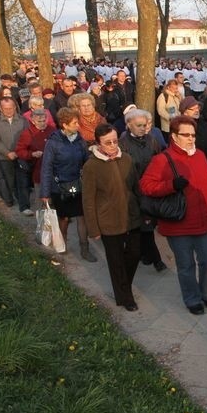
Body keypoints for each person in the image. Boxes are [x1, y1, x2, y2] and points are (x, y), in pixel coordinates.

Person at [139, 117, 207, 315]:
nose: (190, 139)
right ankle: (192, 298)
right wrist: (170, 186)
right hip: (178, 224)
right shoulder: (162, 159)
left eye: (193, 135)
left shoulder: (201, 156)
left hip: (204, 221)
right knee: (186, 265)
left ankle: (206, 294)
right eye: (185, 135)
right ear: (174, 136)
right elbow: (146, 186)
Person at [82, 124, 142, 311]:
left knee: (134, 253)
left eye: (115, 141)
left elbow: (136, 187)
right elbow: (88, 200)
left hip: (131, 216)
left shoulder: (127, 159)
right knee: (115, 261)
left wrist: (144, 211)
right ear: (98, 144)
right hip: (108, 220)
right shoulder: (91, 166)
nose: (113, 145)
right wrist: (93, 229)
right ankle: (125, 296)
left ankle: (124, 286)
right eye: (108, 143)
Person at [40, 107, 97, 262]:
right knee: (63, 219)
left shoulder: (79, 140)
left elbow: (87, 161)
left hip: (78, 184)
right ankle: (62, 244)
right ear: (64, 125)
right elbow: (46, 168)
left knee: (82, 217)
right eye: (74, 123)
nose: (78, 125)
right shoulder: (53, 143)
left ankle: (84, 249)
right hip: (60, 188)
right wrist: (45, 194)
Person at [120, 108, 167, 272]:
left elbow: (158, 160)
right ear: (128, 125)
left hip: (150, 188)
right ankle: (155, 259)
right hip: (132, 190)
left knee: (147, 224)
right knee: (141, 226)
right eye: (139, 125)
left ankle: (146, 255)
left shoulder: (152, 140)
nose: (143, 128)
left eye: (145, 125)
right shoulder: (123, 143)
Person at [0, 97, 31, 214]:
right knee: (11, 181)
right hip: (5, 157)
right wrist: (7, 153)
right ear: (1, 109)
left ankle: (25, 206)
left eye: (11, 108)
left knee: (23, 181)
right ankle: (14, 198)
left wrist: (19, 151)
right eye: (5, 109)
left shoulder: (23, 120)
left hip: (21, 156)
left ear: (15, 107)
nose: (9, 111)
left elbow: (28, 137)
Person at [15, 108, 56, 210]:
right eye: (39, 121)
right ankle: (41, 222)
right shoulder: (27, 133)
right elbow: (20, 151)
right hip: (38, 170)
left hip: (54, 170)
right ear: (32, 121)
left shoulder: (52, 130)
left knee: (55, 198)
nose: (42, 123)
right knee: (41, 199)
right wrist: (32, 154)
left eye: (44, 120)